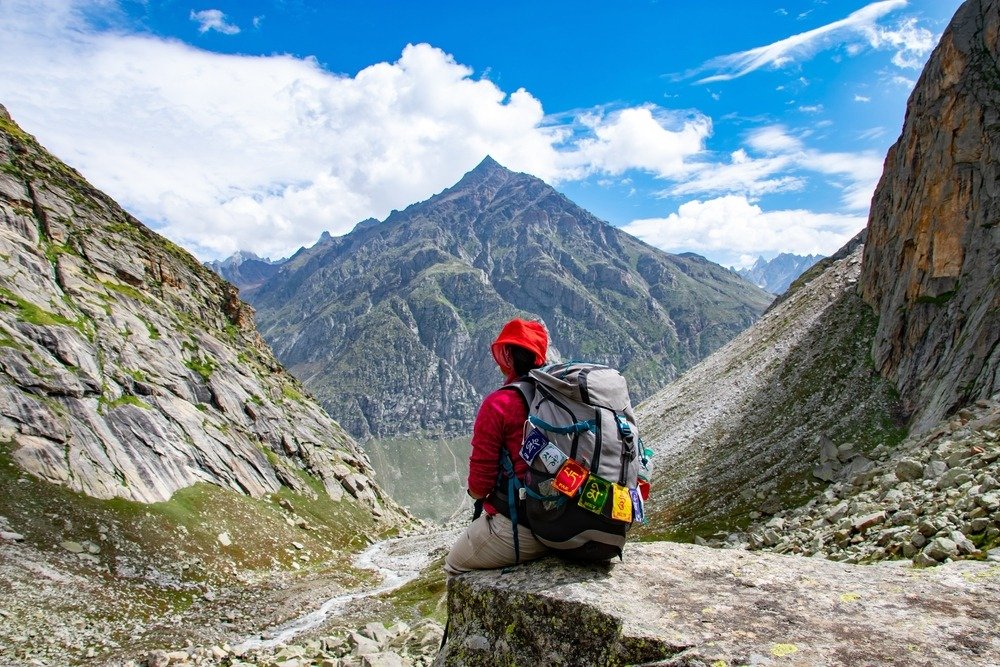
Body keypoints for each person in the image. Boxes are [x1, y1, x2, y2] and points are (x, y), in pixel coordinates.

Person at [444, 318, 551, 576]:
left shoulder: (499, 404)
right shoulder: (557, 396)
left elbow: (480, 485)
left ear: (508, 356)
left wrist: (475, 494)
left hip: (525, 527)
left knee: (454, 564)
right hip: (563, 520)